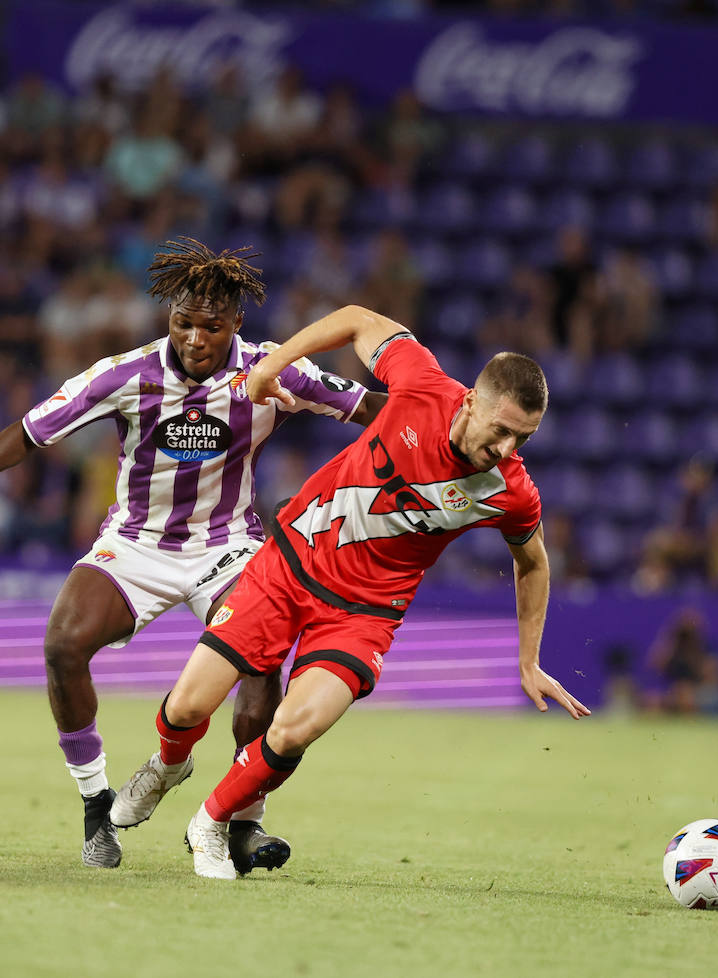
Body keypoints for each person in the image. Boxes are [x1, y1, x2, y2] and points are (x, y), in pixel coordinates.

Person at [0, 238, 386, 872]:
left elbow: (372, 408)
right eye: (183, 323)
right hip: (135, 543)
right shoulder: (125, 374)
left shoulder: (274, 370)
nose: (194, 339)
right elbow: (29, 431)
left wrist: (440, 424)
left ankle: (243, 822)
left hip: (229, 547)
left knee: (261, 662)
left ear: (236, 323)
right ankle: (96, 807)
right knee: (63, 643)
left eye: (211, 326)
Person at [108, 304, 589, 880]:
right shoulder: (421, 383)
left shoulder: (510, 491)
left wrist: (528, 659)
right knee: (187, 707)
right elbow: (358, 319)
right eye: (502, 429)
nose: (508, 448)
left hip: (364, 615)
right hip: (287, 566)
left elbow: (533, 564)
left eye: (524, 438)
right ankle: (167, 764)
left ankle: (209, 823)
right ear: (469, 402)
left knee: (295, 727)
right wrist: (273, 367)